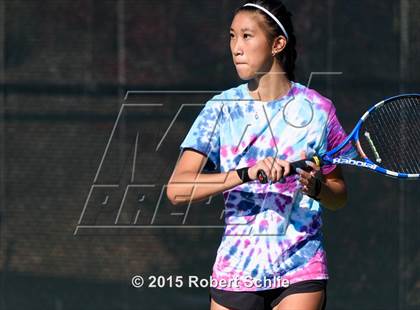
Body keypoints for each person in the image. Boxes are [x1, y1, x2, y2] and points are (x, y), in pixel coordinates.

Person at [167, 1, 355, 309]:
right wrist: (246, 173)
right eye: (232, 36)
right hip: (236, 270)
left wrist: (317, 188)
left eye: (246, 36)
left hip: (301, 268)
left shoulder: (319, 110)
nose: (236, 47)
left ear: (277, 44)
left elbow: (339, 195)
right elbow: (176, 190)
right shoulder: (220, 109)